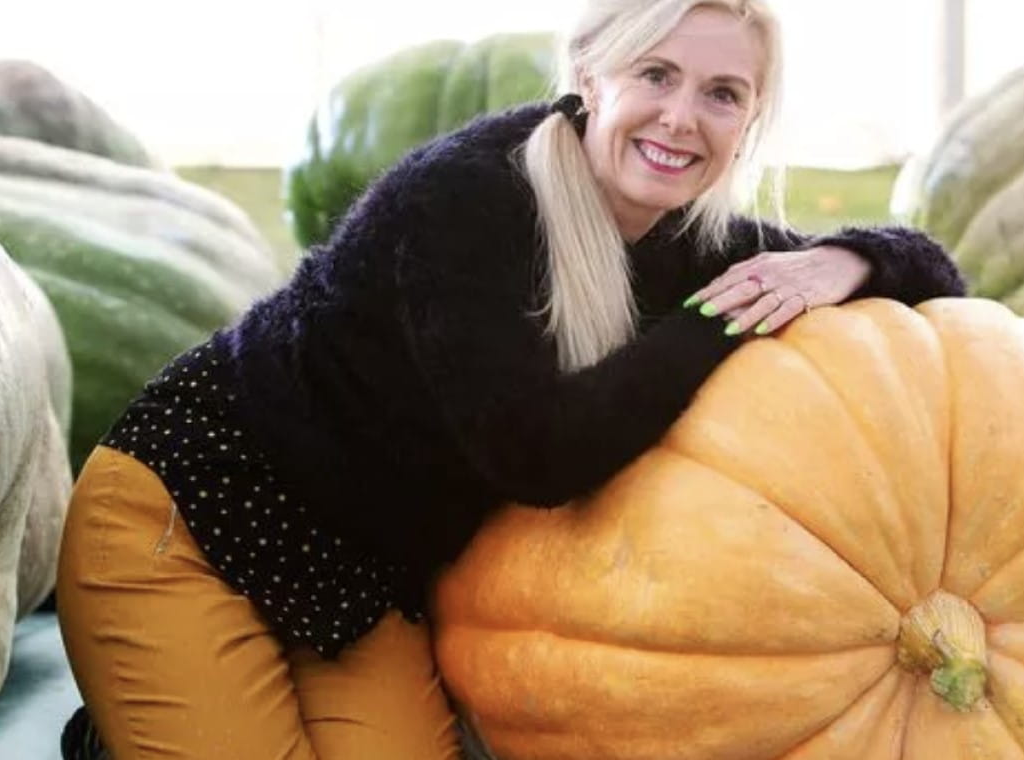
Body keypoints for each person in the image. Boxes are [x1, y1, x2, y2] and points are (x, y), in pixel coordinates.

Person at [55, 0, 966, 757]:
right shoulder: (467, 198)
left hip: (364, 573)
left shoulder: (681, 236)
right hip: (193, 512)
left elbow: (938, 277)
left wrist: (846, 261)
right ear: (590, 72)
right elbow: (539, 452)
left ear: (750, 119)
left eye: (722, 94)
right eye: (656, 75)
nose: (681, 118)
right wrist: (720, 320)